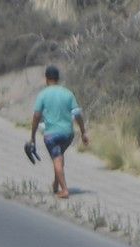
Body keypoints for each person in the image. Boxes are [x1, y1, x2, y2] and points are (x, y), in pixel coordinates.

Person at [30, 65, 88, 201]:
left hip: (51, 134)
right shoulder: (68, 93)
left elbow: (36, 115)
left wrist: (32, 135)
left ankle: (64, 190)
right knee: (59, 156)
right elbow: (77, 114)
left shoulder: (43, 95)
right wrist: (83, 132)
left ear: (46, 78)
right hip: (68, 134)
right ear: (58, 78)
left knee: (56, 159)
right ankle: (56, 184)